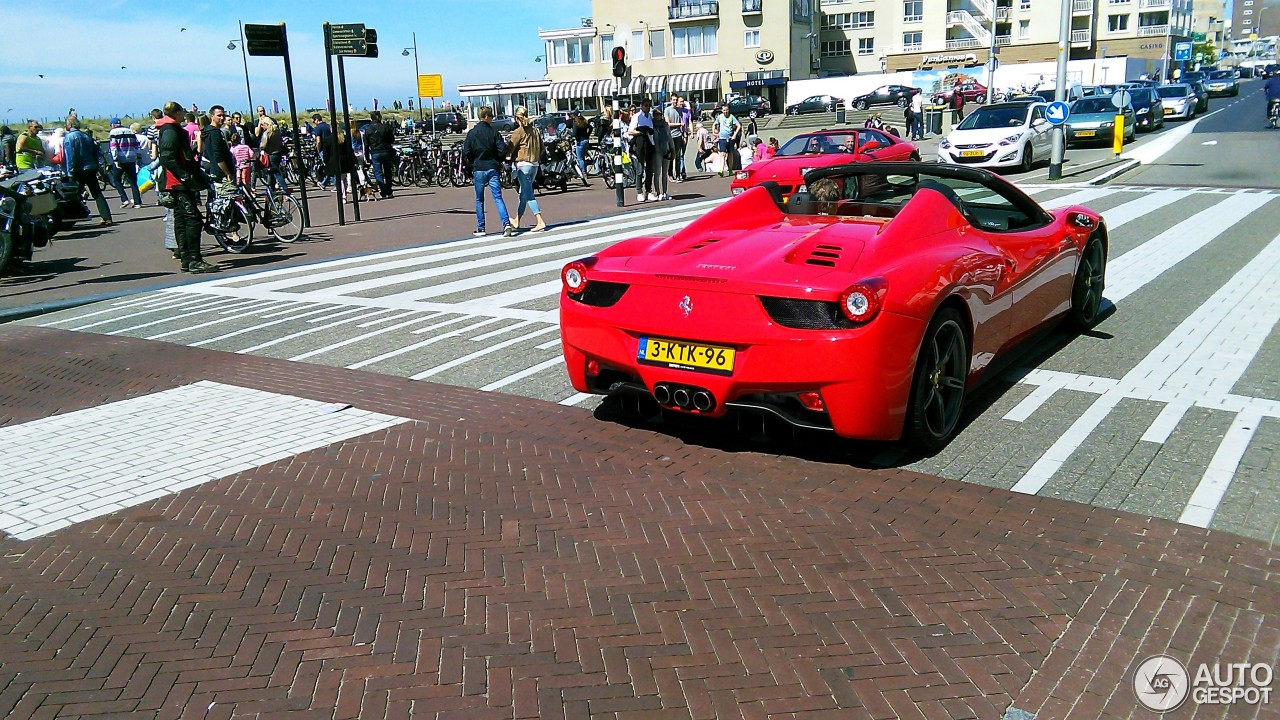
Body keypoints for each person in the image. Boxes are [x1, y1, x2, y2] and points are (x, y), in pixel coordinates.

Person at [157, 100, 217, 273]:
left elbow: (175, 155)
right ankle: (194, 259)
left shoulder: (170, 129)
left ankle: (187, 259)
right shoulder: (170, 130)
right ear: (176, 113)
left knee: (182, 220)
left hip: (177, 182)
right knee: (192, 220)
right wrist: (185, 176)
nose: (184, 114)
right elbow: (168, 157)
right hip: (178, 183)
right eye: (182, 112)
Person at [461, 105, 514, 237]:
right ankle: (506, 223)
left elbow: (466, 151)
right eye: (491, 116)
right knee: (497, 197)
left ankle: (481, 228)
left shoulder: (472, 133)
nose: (492, 119)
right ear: (486, 117)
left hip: (478, 168)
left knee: (479, 199)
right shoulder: (494, 133)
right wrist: (498, 160)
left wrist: (471, 163)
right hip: (492, 167)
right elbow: (502, 150)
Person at [61, 118, 113, 226]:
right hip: (90, 167)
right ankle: (107, 217)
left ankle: (70, 217)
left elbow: (70, 156)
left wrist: (70, 172)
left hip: (78, 169)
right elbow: (96, 151)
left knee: (73, 194)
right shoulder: (86, 136)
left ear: (69, 125)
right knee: (97, 193)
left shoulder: (69, 137)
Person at [507, 106, 548, 232]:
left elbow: (509, 148)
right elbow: (542, 147)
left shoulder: (519, 132)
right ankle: (517, 219)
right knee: (523, 194)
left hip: (522, 165)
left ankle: (540, 220)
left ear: (516, 118)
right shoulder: (535, 130)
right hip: (534, 165)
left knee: (528, 194)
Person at [108, 118, 143, 208]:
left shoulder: (113, 133)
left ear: (112, 125)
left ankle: (124, 199)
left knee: (116, 179)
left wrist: (115, 160)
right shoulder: (130, 131)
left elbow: (113, 147)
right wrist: (138, 157)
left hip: (120, 158)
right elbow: (137, 145)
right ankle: (137, 202)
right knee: (133, 181)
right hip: (131, 158)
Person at [201, 105, 234, 200]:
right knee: (229, 199)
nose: (222, 118)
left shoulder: (208, 131)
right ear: (212, 116)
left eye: (223, 115)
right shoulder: (214, 133)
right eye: (219, 115)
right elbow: (218, 156)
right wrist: (227, 173)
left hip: (215, 170)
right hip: (221, 173)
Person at [362, 110, 396, 199]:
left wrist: (366, 157)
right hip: (385, 151)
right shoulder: (385, 127)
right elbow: (392, 139)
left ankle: (383, 191)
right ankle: (389, 191)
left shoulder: (368, 129)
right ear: (379, 117)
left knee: (378, 173)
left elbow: (366, 145)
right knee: (388, 172)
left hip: (375, 153)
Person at [628, 98, 657, 202]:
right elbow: (630, 131)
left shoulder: (650, 117)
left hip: (649, 144)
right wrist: (641, 132)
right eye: (645, 105)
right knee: (640, 169)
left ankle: (648, 191)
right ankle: (639, 191)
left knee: (650, 170)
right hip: (640, 144)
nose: (647, 108)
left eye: (649, 106)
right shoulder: (637, 117)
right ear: (641, 106)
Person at [322, 124, 358, 203]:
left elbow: (325, 152)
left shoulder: (328, 139)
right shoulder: (344, 138)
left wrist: (325, 161)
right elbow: (350, 150)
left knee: (340, 180)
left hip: (334, 161)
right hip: (345, 160)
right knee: (343, 179)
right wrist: (354, 160)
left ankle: (343, 196)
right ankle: (344, 195)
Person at [258, 116, 288, 194]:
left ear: (266, 124)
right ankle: (272, 189)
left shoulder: (267, 133)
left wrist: (261, 147)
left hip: (271, 154)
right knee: (272, 172)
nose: (261, 127)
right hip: (278, 153)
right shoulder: (277, 131)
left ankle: (285, 187)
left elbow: (263, 145)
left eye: (262, 125)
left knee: (275, 172)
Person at [714, 105, 740, 177]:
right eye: (724, 110)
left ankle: (730, 169)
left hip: (730, 138)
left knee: (730, 154)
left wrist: (735, 134)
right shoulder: (720, 117)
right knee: (722, 154)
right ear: (722, 110)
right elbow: (714, 124)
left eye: (727, 110)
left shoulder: (731, 117)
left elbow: (738, 126)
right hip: (722, 138)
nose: (725, 112)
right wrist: (714, 132)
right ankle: (721, 170)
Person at [664, 96, 686, 183]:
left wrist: (683, 132)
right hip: (670, 136)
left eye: (676, 100)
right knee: (671, 156)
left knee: (678, 156)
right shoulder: (667, 110)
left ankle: (678, 175)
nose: (675, 101)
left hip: (678, 135)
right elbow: (668, 123)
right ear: (670, 100)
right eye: (673, 100)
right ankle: (670, 175)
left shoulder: (679, 110)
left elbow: (682, 122)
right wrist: (679, 124)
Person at [652, 105, 672, 201]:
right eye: (656, 114)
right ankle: (658, 192)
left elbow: (669, 137)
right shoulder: (652, 125)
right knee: (657, 172)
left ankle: (665, 192)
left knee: (665, 173)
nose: (659, 116)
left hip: (666, 149)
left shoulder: (665, 125)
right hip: (657, 152)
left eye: (660, 114)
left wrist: (672, 149)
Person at [311, 113, 333, 189]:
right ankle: (324, 183)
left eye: (314, 121)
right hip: (330, 147)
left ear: (316, 119)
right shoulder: (327, 126)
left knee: (328, 166)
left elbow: (318, 141)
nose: (314, 122)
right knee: (330, 165)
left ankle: (333, 183)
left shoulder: (318, 128)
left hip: (323, 148)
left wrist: (318, 149)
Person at [572, 113, 591, 186]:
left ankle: (583, 173)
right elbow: (591, 128)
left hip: (580, 142)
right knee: (583, 157)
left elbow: (574, 134)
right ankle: (584, 171)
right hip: (586, 141)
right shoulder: (585, 122)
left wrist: (571, 135)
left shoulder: (576, 124)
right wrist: (588, 135)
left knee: (580, 158)